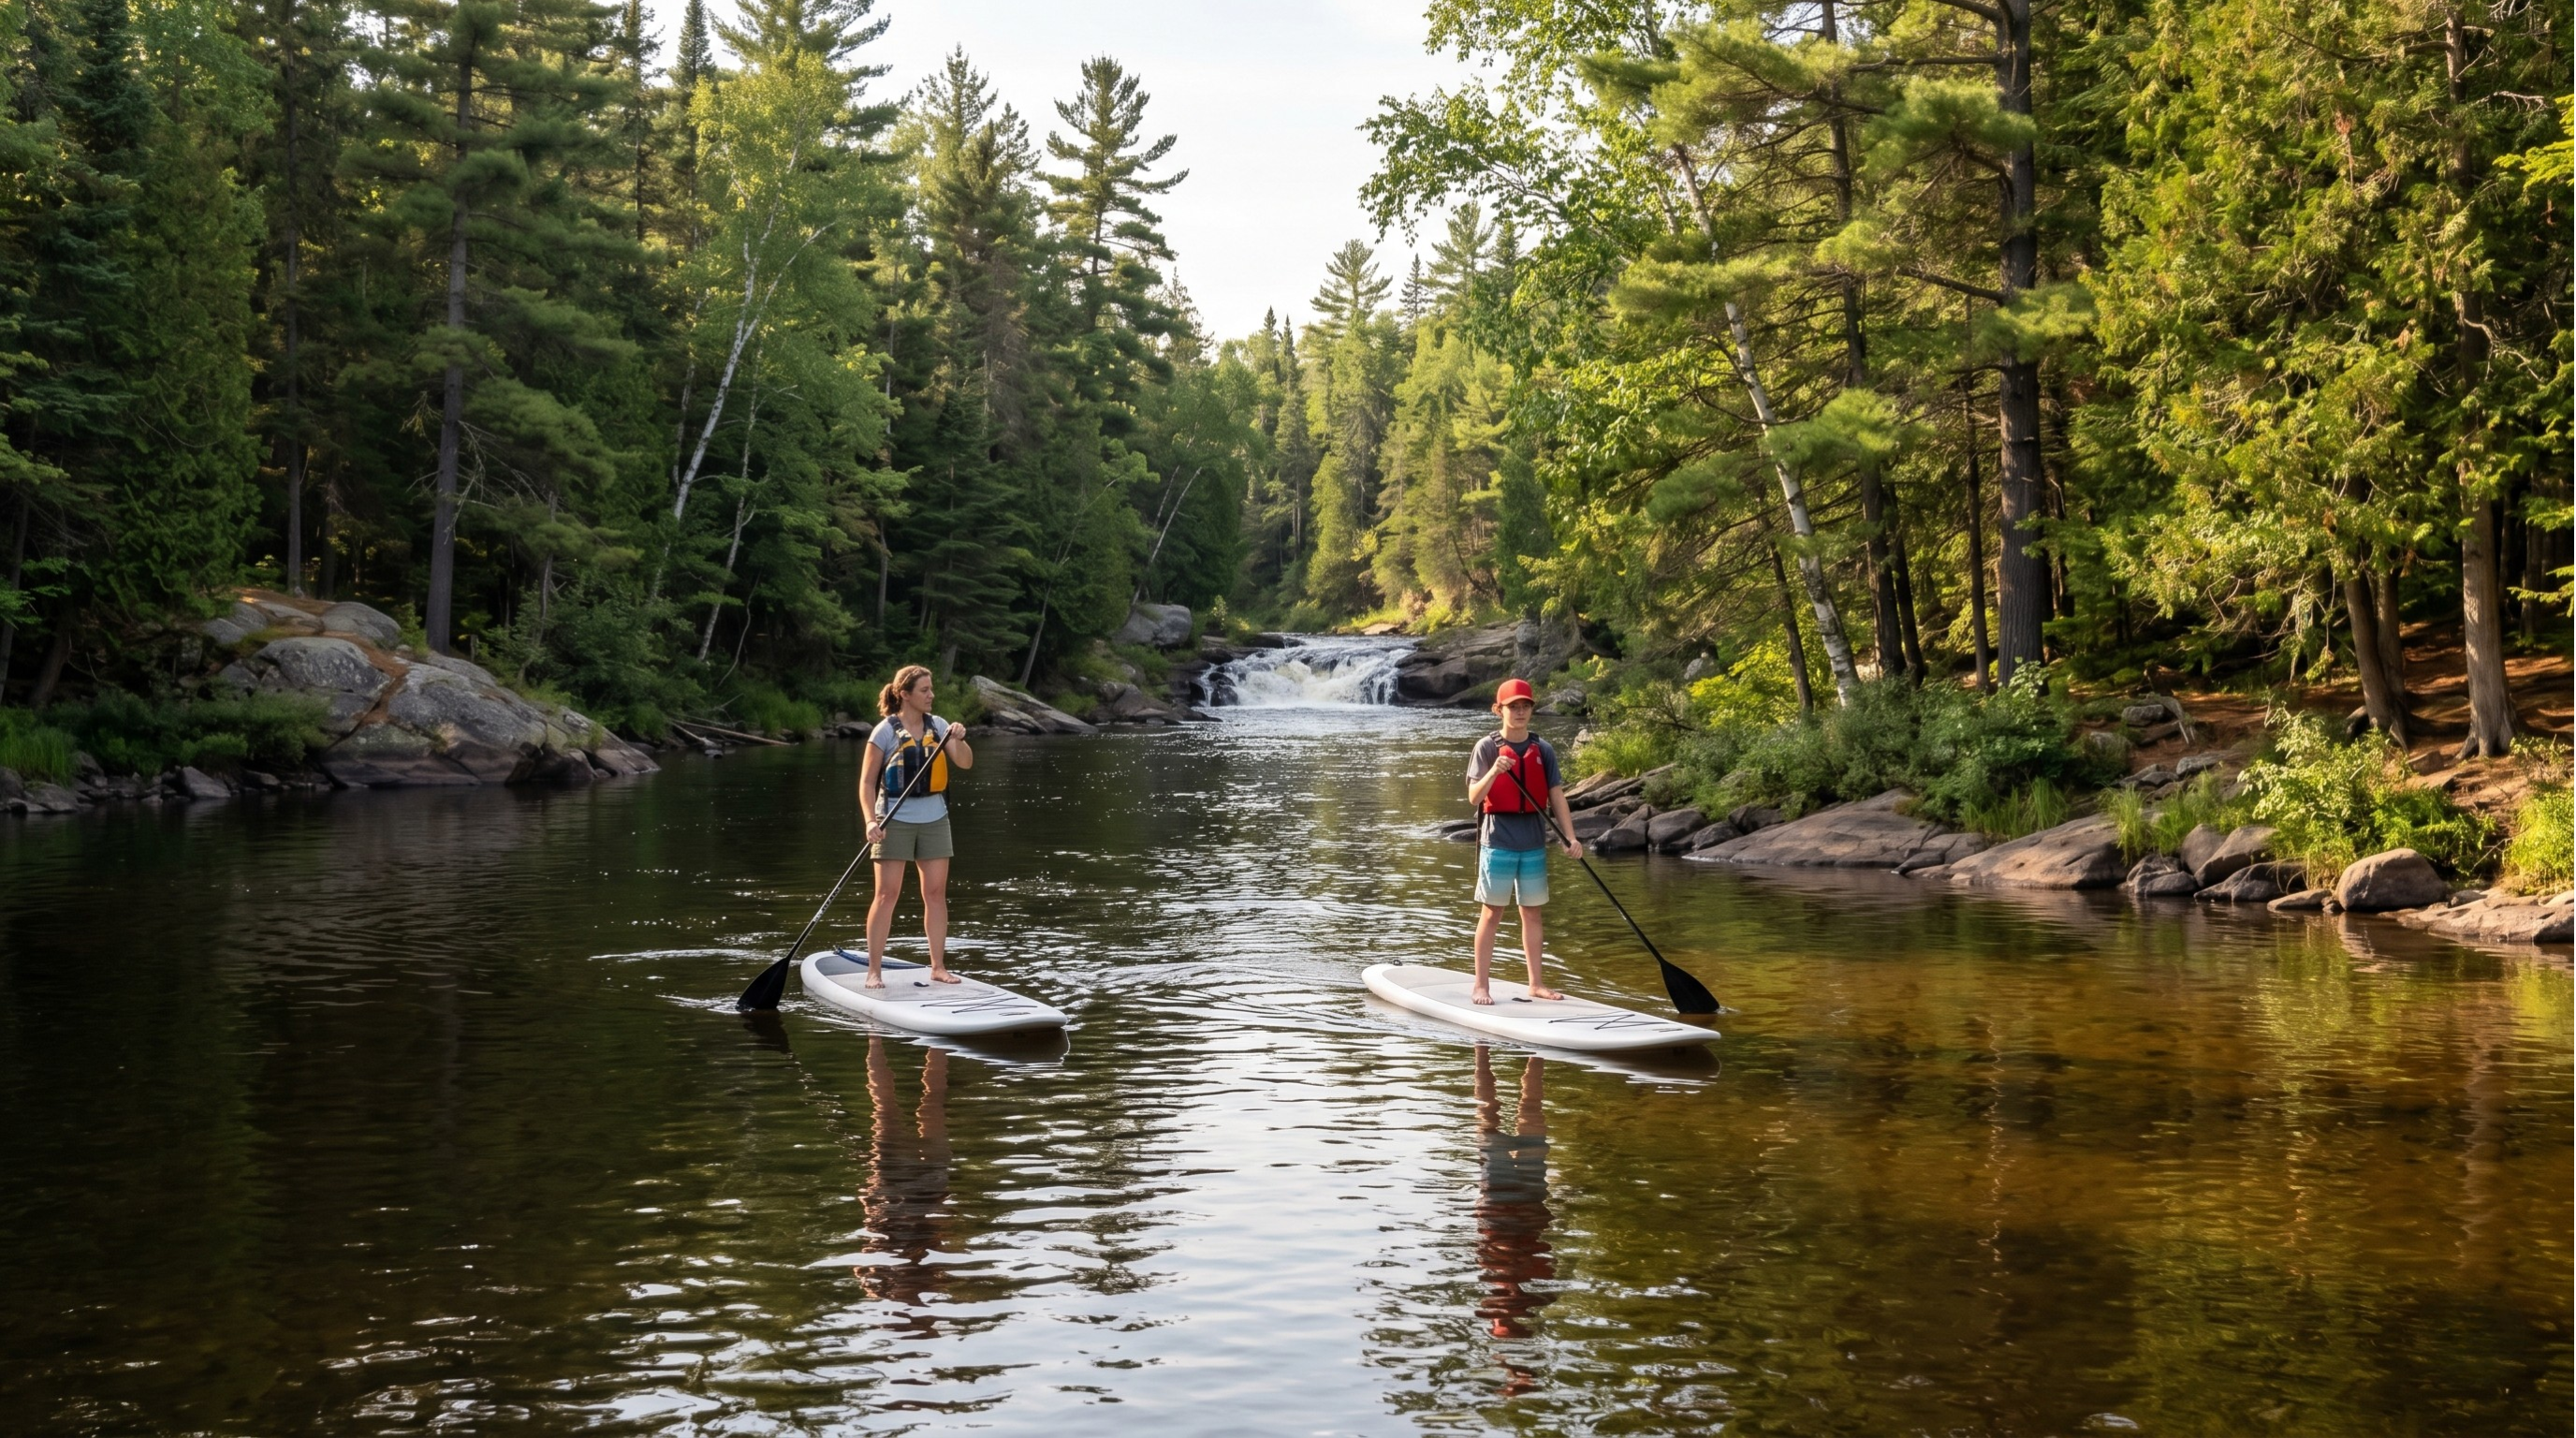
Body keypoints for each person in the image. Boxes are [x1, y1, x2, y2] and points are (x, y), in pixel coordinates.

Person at [1464, 677, 1582, 1005]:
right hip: (1498, 839)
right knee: (1492, 912)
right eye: (1513, 706)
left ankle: (1535, 984)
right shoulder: (1486, 748)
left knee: (1532, 912)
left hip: (1533, 839)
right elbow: (1474, 797)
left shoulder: (1543, 750)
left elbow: (1557, 796)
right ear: (1498, 709)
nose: (1520, 712)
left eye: (1525, 706)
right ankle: (1481, 986)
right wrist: (1493, 773)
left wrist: (1569, 837)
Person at [859, 665, 974, 988]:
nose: (931, 695)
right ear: (905, 695)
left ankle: (937, 966)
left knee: (936, 894)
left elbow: (964, 762)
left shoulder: (938, 727)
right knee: (886, 894)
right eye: (924, 690)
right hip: (893, 822)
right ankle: (874, 972)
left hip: (935, 819)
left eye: (931, 689)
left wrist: (959, 739)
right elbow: (867, 783)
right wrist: (870, 820)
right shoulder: (883, 732)